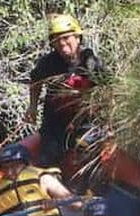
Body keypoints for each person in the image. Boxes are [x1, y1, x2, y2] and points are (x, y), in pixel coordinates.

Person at [25, 14, 106, 167]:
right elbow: (35, 82)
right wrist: (32, 106)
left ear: (77, 37)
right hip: (54, 121)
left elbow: (108, 88)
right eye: (57, 40)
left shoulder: (91, 62)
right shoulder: (48, 63)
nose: (62, 44)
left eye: (66, 37)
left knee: (88, 150)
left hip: (84, 120)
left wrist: (106, 120)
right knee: (48, 158)